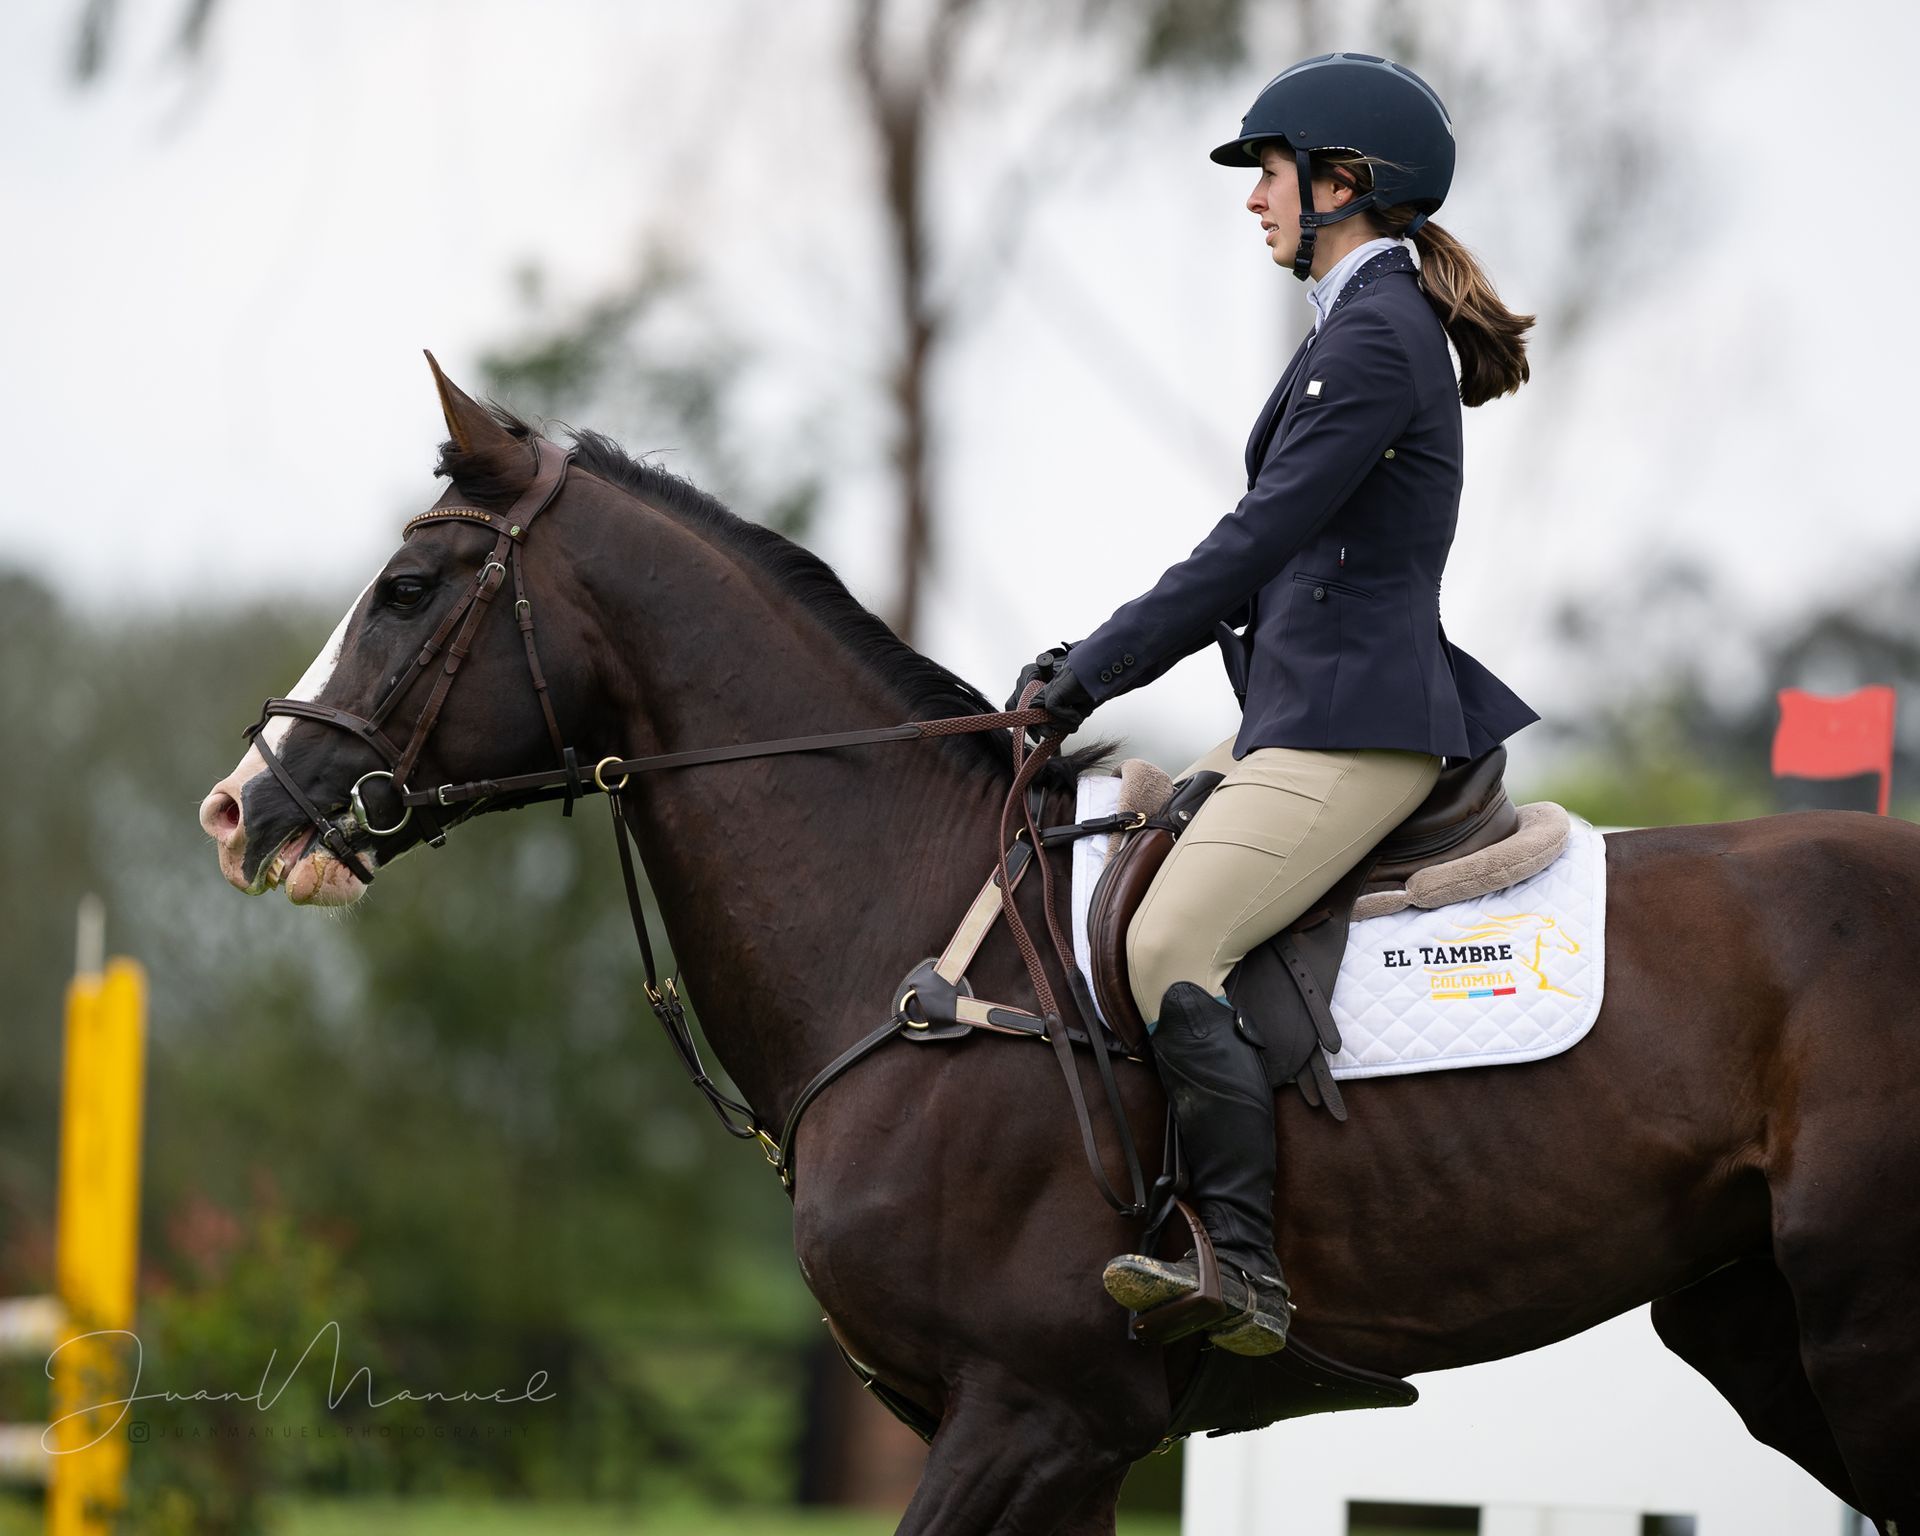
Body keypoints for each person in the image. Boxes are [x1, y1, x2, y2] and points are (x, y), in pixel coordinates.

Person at [1007, 53, 1539, 1356]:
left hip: (1358, 720)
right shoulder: (1362, 327)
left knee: (1165, 944)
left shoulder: (1374, 335)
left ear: (1344, 184)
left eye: (1271, 173)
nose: (1255, 200)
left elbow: (1251, 544)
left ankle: (1237, 1260)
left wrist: (1090, 670)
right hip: (1303, 707)